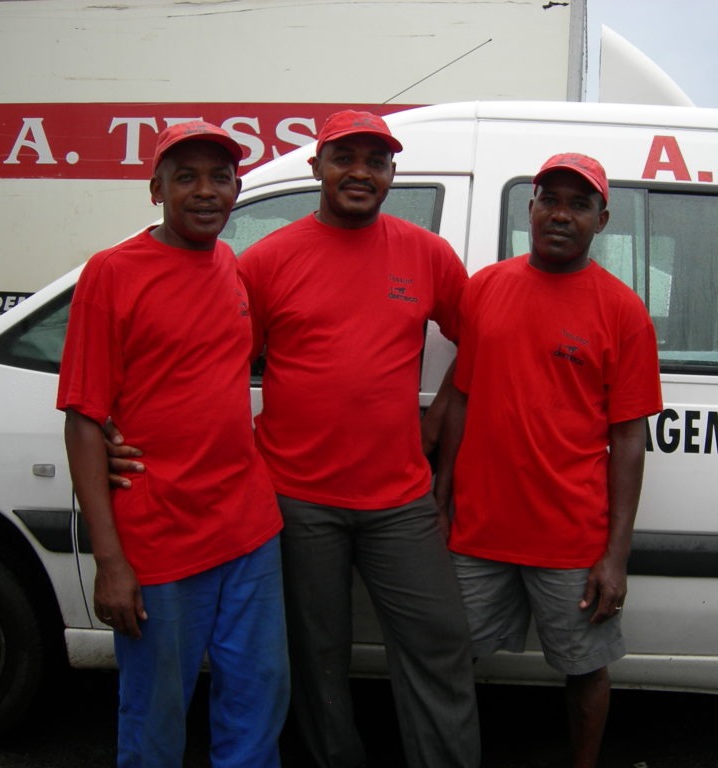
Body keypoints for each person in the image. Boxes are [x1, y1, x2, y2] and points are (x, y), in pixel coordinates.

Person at [107, 111, 480, 768]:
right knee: (317, 661)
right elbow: (201, 361)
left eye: (375, 160)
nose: (359, 172)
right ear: (316, 168)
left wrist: (442, 410)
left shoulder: (426, 253)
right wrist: (114, 426)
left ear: (392, 174)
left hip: (400, 500)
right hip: (296, 500)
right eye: (345, 158)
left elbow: (480, 339)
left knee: (440, 643)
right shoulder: (267, 260)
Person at [58, 121, 289, 768]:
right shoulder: (112, 272)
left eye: (219, 177)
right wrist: (110, 562)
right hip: (158, 538)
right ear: (155, 187)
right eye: (186, 177)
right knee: (155, 720)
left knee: (258, 700)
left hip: (247, 530)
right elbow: (82, 417)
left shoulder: (230, 266)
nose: (205, 191)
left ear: (238, 188)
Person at [435, 153, 662, 768]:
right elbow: (461, 396)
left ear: (602, 219)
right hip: (477, 532)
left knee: (586, 670)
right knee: (450, 661)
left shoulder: (623, 312)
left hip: (570, 540)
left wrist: (615, 555)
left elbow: (630, 441)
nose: (561, 214)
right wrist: (442, 496)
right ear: (530, 207)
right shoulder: (484, 288)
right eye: (550, 199)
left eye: (579, 204)